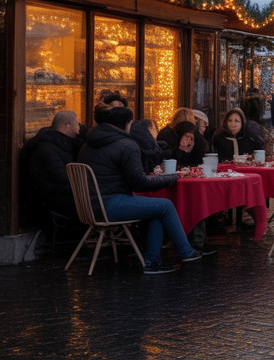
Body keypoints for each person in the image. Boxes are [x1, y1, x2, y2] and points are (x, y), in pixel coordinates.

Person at [78, 103, 212, 274]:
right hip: (109, 206)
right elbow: (140, 183)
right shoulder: (126, 145)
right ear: (127, 124)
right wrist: (172, 178)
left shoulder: (88, 143)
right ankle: (186, 252)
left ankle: (153, 261)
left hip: (88, 206)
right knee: (165, 205)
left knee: (156, 209)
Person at [20, 109, 84, 220]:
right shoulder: (47, 149)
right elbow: (62, 178)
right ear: (67, 126)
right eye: (77, 124)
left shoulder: (63, 145)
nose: (79, 128)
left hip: (64, 195)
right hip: (56, 199)